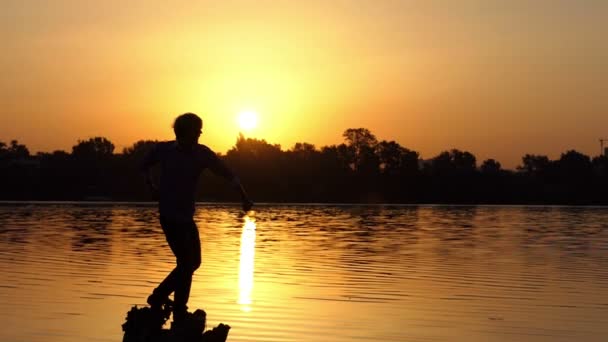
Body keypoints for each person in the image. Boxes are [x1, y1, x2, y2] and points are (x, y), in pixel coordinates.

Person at [140, 112, 253, 323]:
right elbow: (143, 165)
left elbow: (230, 174)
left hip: (186, 217)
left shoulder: (202, 154)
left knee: (193, 263)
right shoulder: (164, 150)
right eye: (197, 129)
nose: (201, 132)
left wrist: (244, 197)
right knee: (186, 262)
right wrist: (151, 186)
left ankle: (166, 301)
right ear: (185, 132)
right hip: (169, 216)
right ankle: (168, 303)